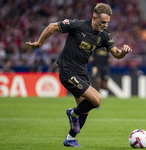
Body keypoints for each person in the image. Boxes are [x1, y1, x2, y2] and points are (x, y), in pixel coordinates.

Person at [26, 3, 132, 147]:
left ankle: (70, 139)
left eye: (107, 22)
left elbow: (116, 54)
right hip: (67, 70)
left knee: (86, 109)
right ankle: (72, 113)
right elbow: (52, 26)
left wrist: (123, 52)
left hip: (82, 72)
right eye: (102, 22)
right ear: (94, 17)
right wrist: (39, 43)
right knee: (97, 99)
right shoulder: (78, 25)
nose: (104, 25)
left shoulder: (104, 35)